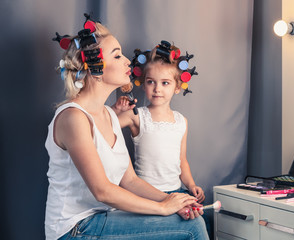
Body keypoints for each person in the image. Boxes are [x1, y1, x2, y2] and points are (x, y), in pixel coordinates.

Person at [45, 14, 208, 240]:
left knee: (189, 218)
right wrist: (162, 207)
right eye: (117, 55)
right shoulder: (73, 118)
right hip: (75, 229)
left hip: (102, 218)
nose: (127, 62)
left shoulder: (109, 116)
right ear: (95, 69)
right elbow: (102, 191)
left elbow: (129, 180)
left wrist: (173, 202)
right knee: (192, 228)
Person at [113, 41, 205, 203]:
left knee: (200, 217)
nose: (157, 88)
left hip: (175, 191)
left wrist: (191, 185)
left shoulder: (181, 122)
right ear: (143, 84)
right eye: (151, 82)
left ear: (177, 87)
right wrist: (116, 110)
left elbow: (182, 161)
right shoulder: (136, 116)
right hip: (146, 194)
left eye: (165, 83)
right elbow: (103, 126)